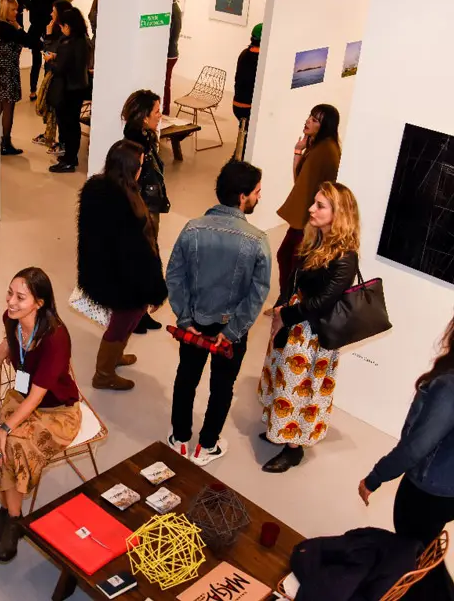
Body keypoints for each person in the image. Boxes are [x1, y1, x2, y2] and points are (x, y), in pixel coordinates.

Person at [166, 160, 270, 466]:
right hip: (230, 333)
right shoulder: (257, 240)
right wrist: (233, 331)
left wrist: (185, 318)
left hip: (194, 324)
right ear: (242, 196)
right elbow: (257, 293)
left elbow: (174, 276)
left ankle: (181, 438)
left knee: (186, 378)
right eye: (257, 192)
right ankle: (206, 445)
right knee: (222, 386)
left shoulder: (192, 229)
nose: (258, 197)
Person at [0, 267, 82, 563]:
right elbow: (13, 336)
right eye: (10, 293)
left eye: (20, 297)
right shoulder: (10, 320)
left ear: (39, 303)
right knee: (7, 444)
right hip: (24, 399)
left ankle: (12, 519)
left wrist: (5, 427)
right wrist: (5, 343)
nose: (11, 302)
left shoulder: (55, 338)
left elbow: (39, 396)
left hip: (57, 411)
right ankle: (12, 514)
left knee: (10, 442)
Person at [259, 182, 359, 473]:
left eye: (320, 205)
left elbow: (324, 302)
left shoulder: (345, 256)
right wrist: (281, 308)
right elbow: (293, 280)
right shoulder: (315, 240)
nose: (311, 209)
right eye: (314, 203)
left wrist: (285, 314)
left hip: (311, 334)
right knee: (282, 378)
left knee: (298, 390)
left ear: (338, 213)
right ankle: (279, 428)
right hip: (294, 321)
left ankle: (293, 449)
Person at [359, 315, 454, 600]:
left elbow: (417, 447)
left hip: (428, 489)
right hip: (445, 490)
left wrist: (375, 477)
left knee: (416, 559)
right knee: (424, 552)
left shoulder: (449, 387)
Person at [77, 139, 168, 391]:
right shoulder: (122, 203)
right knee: (123, 321)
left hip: (112, 273)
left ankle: (115, 357)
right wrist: (153, 286)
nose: (143, 169)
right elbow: (133, 253)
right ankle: (103, 374)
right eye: (140, 165)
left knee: (130, 317)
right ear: (129, 169)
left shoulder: (103, 189)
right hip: (123, 279)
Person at [275, 104, 341, 294]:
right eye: (309, 117)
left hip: (309, 221)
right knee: (288, 258)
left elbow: (302, 184)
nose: (308, 121)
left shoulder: (325, 151)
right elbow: (300, 180)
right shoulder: (319, 146)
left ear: (324, 126)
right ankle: (285, 302)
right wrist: (298, 151)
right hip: (306, 218)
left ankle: (287, 305)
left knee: (294, 262)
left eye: (314, 120)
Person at [121, 90, 170, 333]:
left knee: (147, 259)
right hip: (143, 207)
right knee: (141, 260)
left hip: (149, 205)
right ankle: (135, 314)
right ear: (143, 117)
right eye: (157, 111)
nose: (160, 115)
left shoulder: (145, 138)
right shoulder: (136, 143)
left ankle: (140, 312)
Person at [47, 8, 91, 174]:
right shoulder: (83, 41)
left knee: (68, 125)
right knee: (73, 124)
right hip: (78, 87)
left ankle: (69, 160)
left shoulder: (69, 44)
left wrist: (51, 61)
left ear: (67, 25)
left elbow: (60, 69)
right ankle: (71, 157)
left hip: (67, 89)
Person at [0, 0, 40, 157]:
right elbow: (30, 41)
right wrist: (18, 26)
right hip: (8, 73)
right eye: (13, 9)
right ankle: (5, 143)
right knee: (8, 107)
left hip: (1, 71)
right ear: (5, 10)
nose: (17, 12)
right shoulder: (9, 29)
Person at [32, 0, 73, 155]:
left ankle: (60, 142)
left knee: (58, 111)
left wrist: (48, 37)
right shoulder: (59, 32)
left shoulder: (64, 36)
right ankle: (51, 136)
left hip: (60, 78)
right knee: (51, 108)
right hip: (53, 75)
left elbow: (50, 54)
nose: (51, 14)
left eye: (54, 12)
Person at [28, 0, 61, 101]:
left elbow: (32, 19)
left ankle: (33, 91)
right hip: (51, 35)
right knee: (49, 63)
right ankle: (47, 90)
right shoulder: (58, 1)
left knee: (35, 62)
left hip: (36, 33)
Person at [232, 23, 262, 158]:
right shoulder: (261, 60)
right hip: (249, 107)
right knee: (246, 143)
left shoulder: (244, 53)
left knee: (243, 136)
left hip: (237, 105)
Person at [163, 0, 183, 116]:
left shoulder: (171, 9)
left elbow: (166, 34)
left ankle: (165, 111)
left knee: (165, 83)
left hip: (168, 53)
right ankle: (164, 110)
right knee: (166, 82)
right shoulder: (174, 8)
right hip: (171, 52)